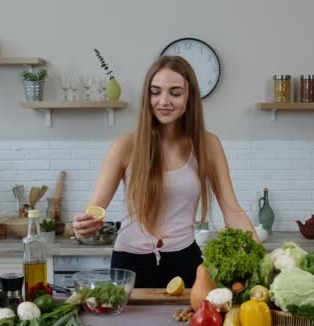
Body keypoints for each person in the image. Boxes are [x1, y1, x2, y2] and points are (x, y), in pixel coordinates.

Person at [72, 56, 257, 288]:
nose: (164, 101)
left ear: (189, 97)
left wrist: (262, 257)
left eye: (175, 93)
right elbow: (94, 212)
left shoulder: (208, 145)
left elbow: (232, 210)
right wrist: (83, 227)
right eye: (155, 92)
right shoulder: (124, 147)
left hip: (186, 261)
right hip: (131, 264)